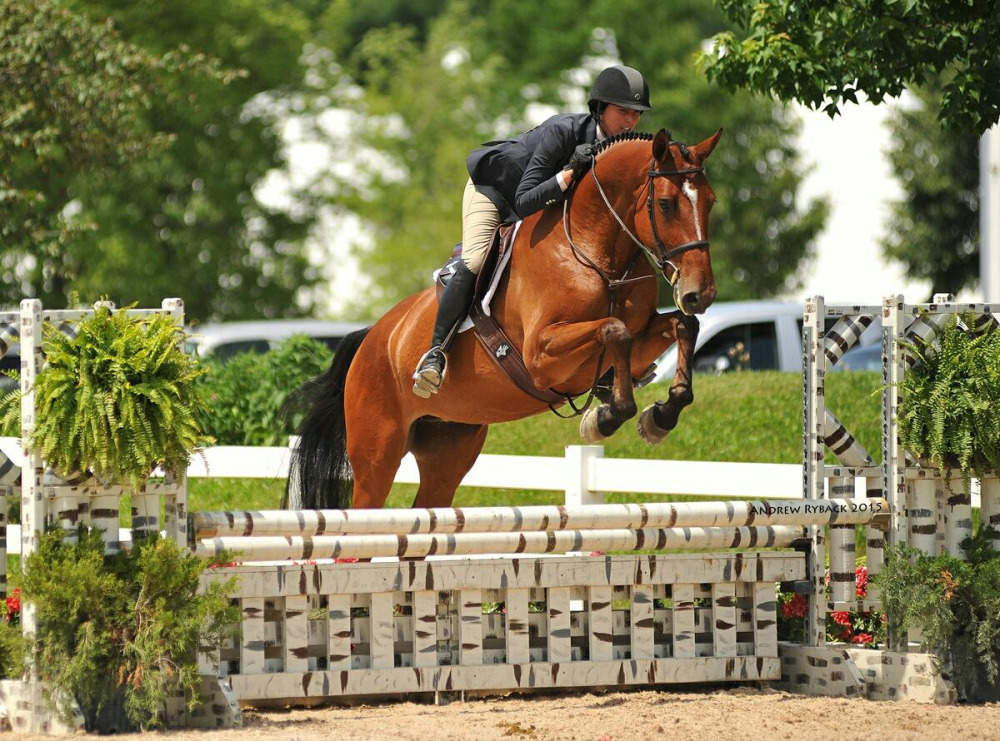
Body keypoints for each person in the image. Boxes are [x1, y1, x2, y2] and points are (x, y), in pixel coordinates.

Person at [412, 64, 652, 398]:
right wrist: (568, 174)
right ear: (599, 108)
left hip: (541, 201)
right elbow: (524, 200)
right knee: (477, 258)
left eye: (636, 115)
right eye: (623, 111)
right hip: (496, 190)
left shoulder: (615, 154)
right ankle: (435, 353)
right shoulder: (562, 132)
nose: (630, 122)